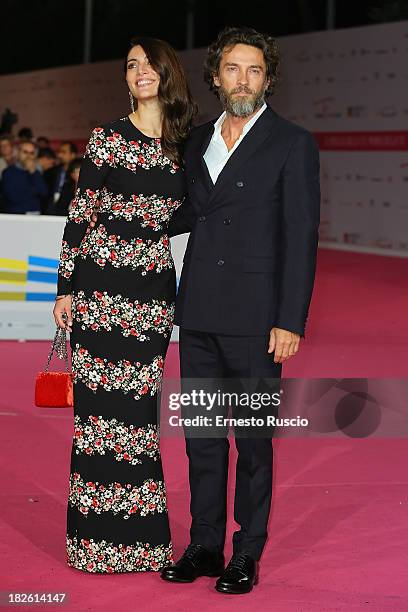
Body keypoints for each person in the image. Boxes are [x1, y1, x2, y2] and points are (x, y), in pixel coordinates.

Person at [159, 26, 321, 594]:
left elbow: (301, 236)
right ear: (217, 76)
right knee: (202, 437)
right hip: (199, 310)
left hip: (256, 319)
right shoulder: (196, 139)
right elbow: (179, 213)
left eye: (254, 69)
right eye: (233, 68)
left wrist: (290, 319)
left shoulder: (291, 142)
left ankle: (246, 552)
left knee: (251, 443)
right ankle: (205, 544)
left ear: (268, 78)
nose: (243, 79)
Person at [53, 36, 196, 574]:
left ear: (167, 73)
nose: (139, 72)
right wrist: (65, 289)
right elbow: (80, 213)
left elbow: (190, 214)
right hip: (98, 292)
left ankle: (143, 544)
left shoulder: (186, 144)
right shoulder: (107, 138)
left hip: (151, 297)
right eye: (131, 65)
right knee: (98, 422)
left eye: (148, 64)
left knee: (137, 419)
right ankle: (94, 545)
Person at [1, 141, 47, 214]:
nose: (28, 156)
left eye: (31, 153)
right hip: (15, 214)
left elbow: (43, 193)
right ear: (18, 153)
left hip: (34, 214)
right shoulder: (8, 172)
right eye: (25, 152)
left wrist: (33, 172)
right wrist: (33, 193)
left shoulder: (36, 172)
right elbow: (13, 196)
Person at [44, 141, 78, 209]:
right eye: (59, 152)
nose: (59, 155)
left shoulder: (79, 174)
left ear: (73, 155)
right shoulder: (50, 172)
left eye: (63, 152)